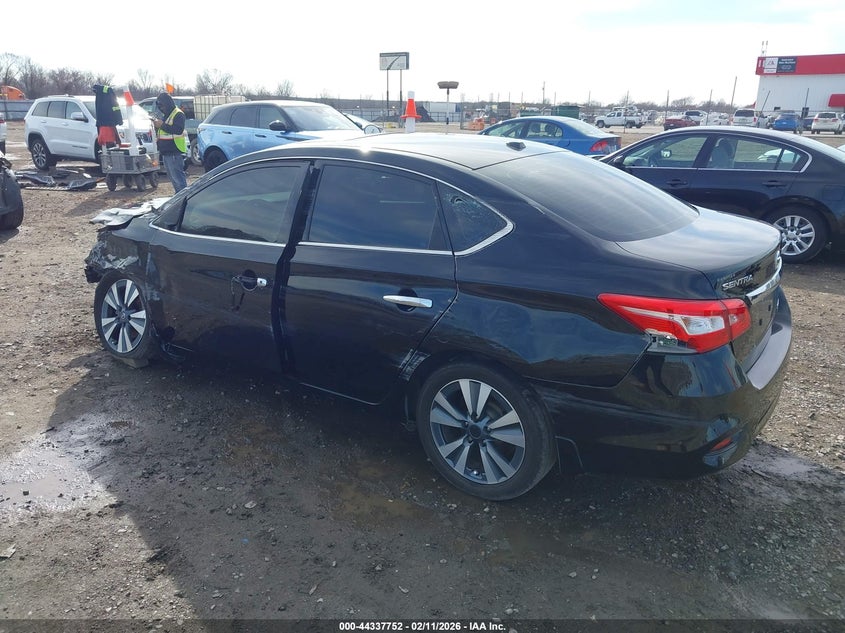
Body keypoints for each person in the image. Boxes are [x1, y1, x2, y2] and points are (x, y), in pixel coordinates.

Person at [153, 92, 188, 192]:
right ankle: (179, 200)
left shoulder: (178, 114)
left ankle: (183, 200)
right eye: (159, 106)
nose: (161, 108)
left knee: (178, 180)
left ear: (167, 103)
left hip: (174, 152)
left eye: (162, 106)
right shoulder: (167, 115)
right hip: (167, 153)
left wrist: (161, 125)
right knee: (174, 180)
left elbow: (178, 129)